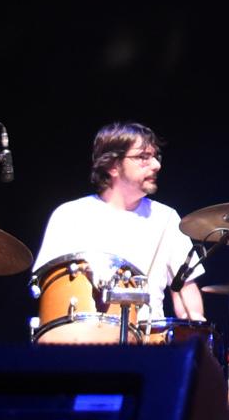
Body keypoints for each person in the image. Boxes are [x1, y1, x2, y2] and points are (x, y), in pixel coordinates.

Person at [32, 122, 206, 329]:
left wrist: (195, 322)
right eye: (143, 157)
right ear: (112, 166)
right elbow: (50, 286)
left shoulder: (166, 217)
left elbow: (185, 288)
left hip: (147, 340)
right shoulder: (70, 215)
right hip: (82, 336)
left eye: (155, 156)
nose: (156, 165)